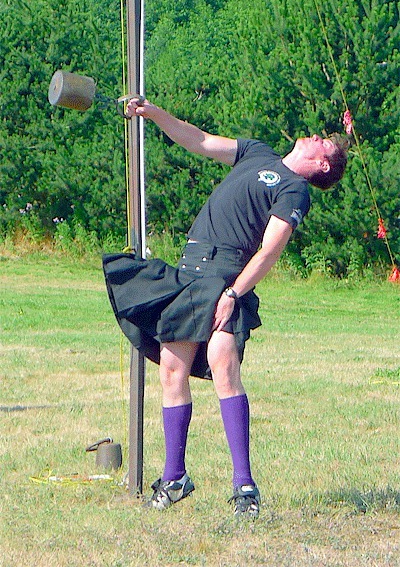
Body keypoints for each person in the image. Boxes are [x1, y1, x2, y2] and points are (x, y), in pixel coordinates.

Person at [103, 98, 348, 518]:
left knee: (223, 363)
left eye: (321, 141)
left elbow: (270, 250)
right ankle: (175, 476)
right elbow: (197, 139)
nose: (312, 136)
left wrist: (234, 292)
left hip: (226, 275)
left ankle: (244, 487)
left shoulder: (294, 190)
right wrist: (154, 114)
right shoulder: (258, 152)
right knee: (171, 369)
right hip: (190, 269)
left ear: (324, 164)